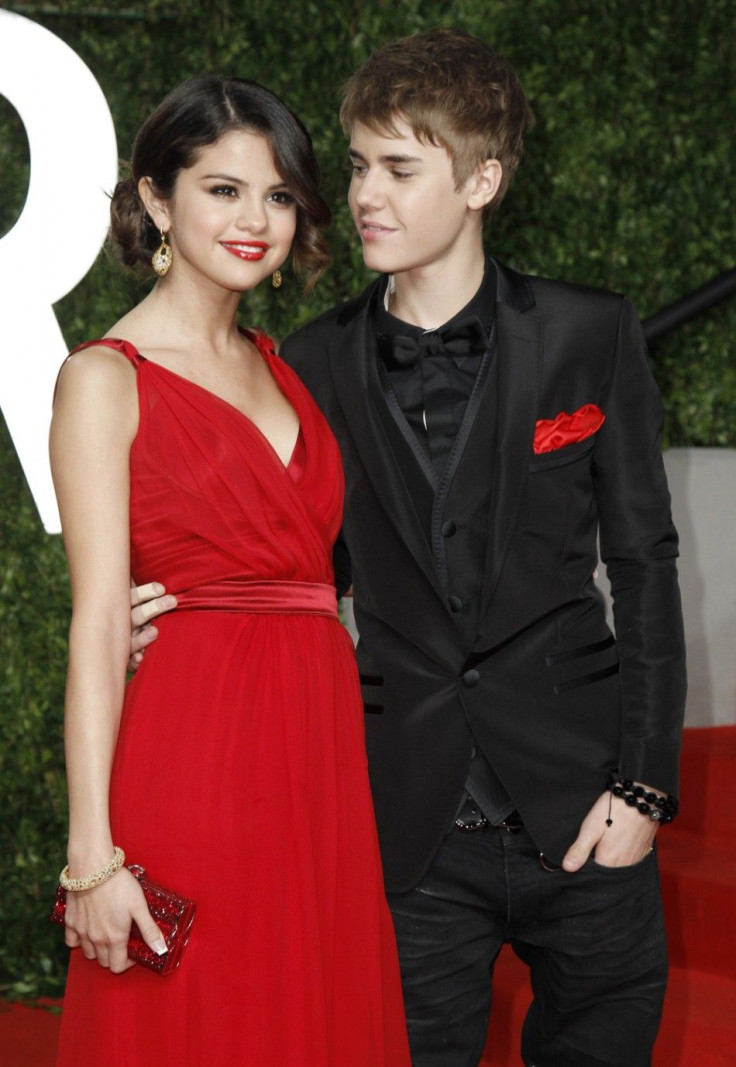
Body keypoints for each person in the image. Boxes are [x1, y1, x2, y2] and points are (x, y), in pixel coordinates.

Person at [133, 30, 687, 1067]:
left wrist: (644, 787)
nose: (363, 197)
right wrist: (167, 617)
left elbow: (646, 566)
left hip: (587, 806)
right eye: (353, 167)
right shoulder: (306, 361)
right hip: (403, 821)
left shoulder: (586, 332)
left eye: (398, 168)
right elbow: (295, 569)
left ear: (481, 178)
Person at [49, 74, 410, 1066]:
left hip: (317, 750)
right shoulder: (102, 378)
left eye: (280, 195)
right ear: (158, 200)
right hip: (196, 749)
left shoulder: (282, 363)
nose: (258, 220)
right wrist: (92, 856)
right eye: (223, 189)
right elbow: (96, 620)